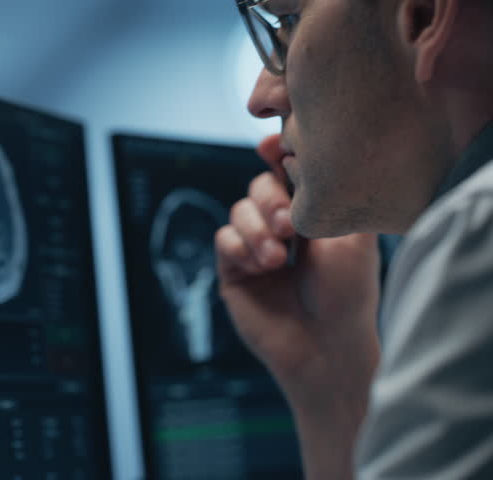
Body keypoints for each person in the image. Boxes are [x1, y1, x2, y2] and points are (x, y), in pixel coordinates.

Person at [215, 0, 493, 478]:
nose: (260, 99)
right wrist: (330, 372)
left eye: (287, 23)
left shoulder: (478, 230)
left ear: (424, 16)